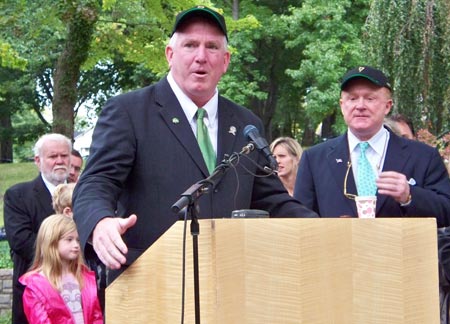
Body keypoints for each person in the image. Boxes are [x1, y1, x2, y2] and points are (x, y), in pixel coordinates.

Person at [73, 5, 317, 284]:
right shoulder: (129, 112)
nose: (201, 57)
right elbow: (96, 182)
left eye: (212, 47)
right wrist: (100, 222)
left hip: (230, 283)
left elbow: (271, 200)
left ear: (225, 61)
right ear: (170, 55)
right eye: (190, 45)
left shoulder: (246, 122)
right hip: (149, 282)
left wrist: (325, 228)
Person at [293, 66, 450, 226]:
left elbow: (446, 212)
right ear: (342, 105)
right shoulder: (314, 159)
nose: (360, 106)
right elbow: (300, 221)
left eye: (370, 98)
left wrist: (410, 196)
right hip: (338, 249)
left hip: (400, 249)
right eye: (352, 99)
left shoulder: (423, 156)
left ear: (387, 106)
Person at [4, 133, 72, 324]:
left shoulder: (84, 192)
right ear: (38, 161)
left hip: (80, 293)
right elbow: (21, 240)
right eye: (52, 156)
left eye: (64, 156)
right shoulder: (18, 195)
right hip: (36, 296)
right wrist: (68, 254)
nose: (59, 161)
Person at [19, 214, 103, 324]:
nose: (76, 245)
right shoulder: (36, 286)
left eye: (78, 240)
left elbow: (96, 317)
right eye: (69, 239)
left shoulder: (84, 276)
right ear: (51, 242)